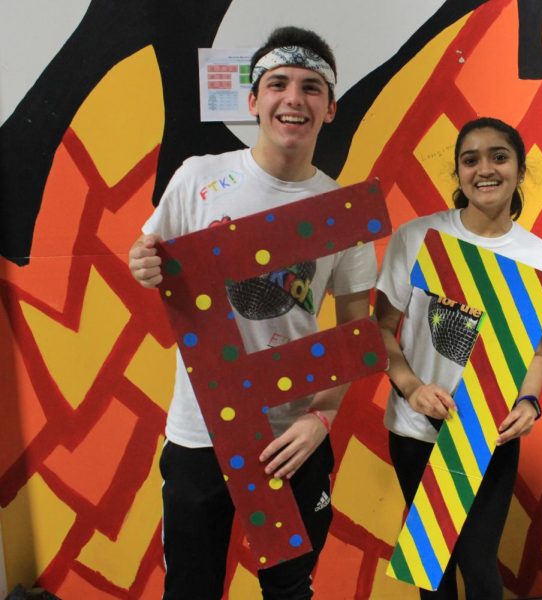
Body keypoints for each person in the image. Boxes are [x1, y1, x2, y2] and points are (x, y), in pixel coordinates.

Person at [128, 26, 374, 599]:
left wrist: (323, 419)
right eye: (278, 84)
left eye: (312, 88)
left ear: (330, 108)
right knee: (192, 589)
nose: (294, 99)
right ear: (253, 101)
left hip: (292, 437)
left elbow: (356, 334)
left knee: (289, 592)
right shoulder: (198, 179)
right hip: (200, 432)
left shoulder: (342, 212)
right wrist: (142, 264)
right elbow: (149, 255)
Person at [375, 117, 542, 599]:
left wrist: (529, 403)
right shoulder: (417, 237)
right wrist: (412, 388)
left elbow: (536, 351)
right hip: (418, 430)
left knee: (480, 564)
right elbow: (380, 329)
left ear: (521, 171)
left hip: (491, 433)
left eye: (499, 156)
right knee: (434, 568)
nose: (485, 169)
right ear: (458, 172)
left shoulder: (539, 257)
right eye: (470, 158)